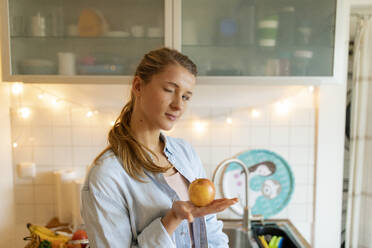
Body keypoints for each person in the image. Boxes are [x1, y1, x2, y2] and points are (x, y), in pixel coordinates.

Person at [81, 47, 238, 248]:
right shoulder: (107, 175)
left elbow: (209, 229)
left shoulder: (185, 152)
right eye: (170, 90)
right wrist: (171, 219)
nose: (178, 105)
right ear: (138, 86)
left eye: (186, 97)